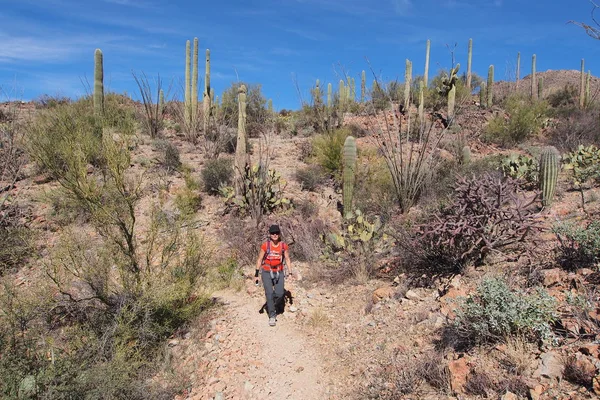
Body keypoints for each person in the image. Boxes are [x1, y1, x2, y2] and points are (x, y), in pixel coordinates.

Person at [255, 224, 293, 327]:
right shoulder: (265, 246)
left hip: (279, 272)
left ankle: (271, 304)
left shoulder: (283, 246)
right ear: (270, 235)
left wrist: (290, 273)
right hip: (267, 272)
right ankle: (272, 315)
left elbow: (287, 259)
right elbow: (259, 259)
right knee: (269, 293)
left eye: (276, 233)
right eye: (272, 233)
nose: (275, 235)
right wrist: (256, 274)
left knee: (280, 293)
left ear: (279, 234)